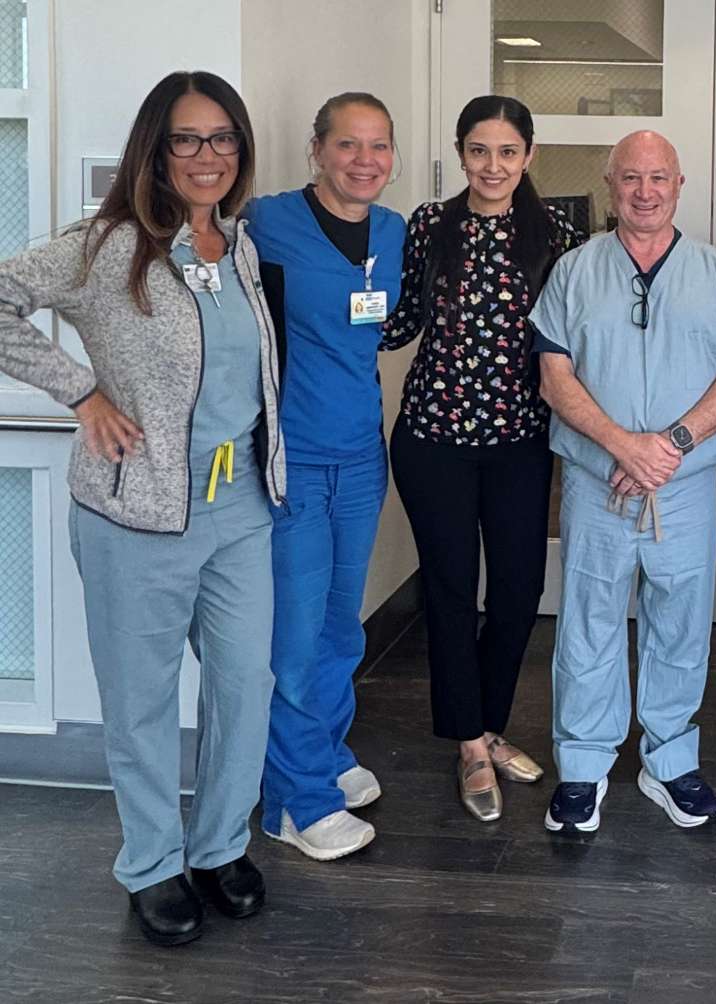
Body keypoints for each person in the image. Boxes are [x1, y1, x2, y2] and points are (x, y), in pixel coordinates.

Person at [0, 71, 284, 945]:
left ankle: (219, 846)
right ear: (155, 151)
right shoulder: (104, 246)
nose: (209, 157)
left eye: (224, 138)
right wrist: (81, 391)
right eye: (188, 140)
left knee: (245, 684)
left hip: (239, 506)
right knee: (143, 700)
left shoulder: (235, 246)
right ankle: (154, 863)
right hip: (137, 514)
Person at [533, 130, 716, 833]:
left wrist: (670, 447)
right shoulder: (574, 270)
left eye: (659, 177)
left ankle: (670, 761)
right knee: (590, 620)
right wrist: (623, 447)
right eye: (630, 178)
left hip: (683, 484)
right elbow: (554, 375)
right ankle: (582, 766)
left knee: (681, 621)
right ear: (610, 185)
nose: (645, 191)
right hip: (599, 478)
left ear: (679, 184)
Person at [382, 95, 582, 822]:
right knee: (450, 590)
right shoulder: (431, 224)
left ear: (528, 155)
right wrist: (334, 310)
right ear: (461, 154)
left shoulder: (556, 230)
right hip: (433, 438)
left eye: (506, 152)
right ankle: (468, 742)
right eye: (477, 151)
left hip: (520, 443)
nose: (491, 166)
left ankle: (489, 725)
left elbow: (575, 334)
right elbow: (402, 320)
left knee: (520, 591)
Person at [245, 93, 405, 859]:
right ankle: (294, 801)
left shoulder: (392, 231)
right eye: (347, 145)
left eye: (378, 146)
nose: (363, 161)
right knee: (296, 636)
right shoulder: (266, 222)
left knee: (344, 625)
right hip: (292, 459)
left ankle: (325, 757)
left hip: (360, 454)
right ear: (317, 150)